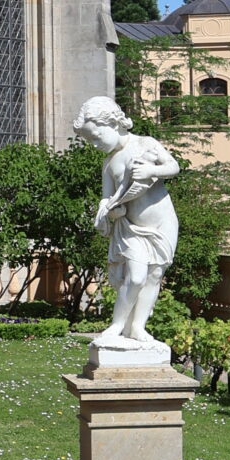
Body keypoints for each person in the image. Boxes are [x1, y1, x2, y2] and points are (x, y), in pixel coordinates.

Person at [72, 95, 179, 348]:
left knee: (154, 275)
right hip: (130, 227)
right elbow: (107, 197)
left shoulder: (145, 143)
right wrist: (109, 211)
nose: (95, 145)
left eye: (96, 137)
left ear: (112, 123)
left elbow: (173, 167)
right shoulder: (109, 163)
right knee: (136, 277)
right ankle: (117, 324)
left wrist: (152, 170)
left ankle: (138, 327)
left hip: (163, 223)